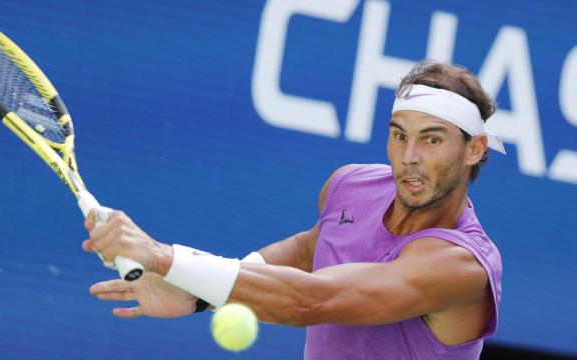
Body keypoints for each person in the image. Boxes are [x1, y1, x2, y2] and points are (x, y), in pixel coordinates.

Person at [82, 60, 503, 359]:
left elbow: (310, 301)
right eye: (398, 135)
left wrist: (167, 259)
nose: (408, 156)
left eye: (431, 140)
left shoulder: (460, 266)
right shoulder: (353, 185)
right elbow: (311, 250)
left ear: (474, 149)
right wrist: (200, 294)